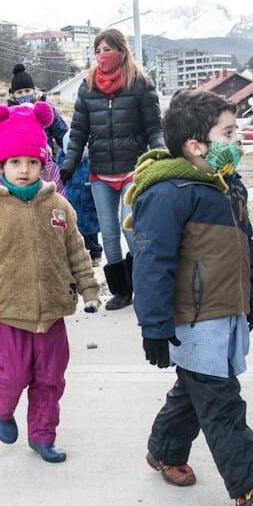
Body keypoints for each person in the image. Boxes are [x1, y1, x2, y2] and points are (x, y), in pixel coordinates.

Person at [127, 89, 253, 506]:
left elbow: (246, 247)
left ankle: (164, 450)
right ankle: (252, 482)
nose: (237, 140)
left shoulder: (227, 187)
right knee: (221, 400)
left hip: (224, 310)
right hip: (193, 317)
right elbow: (151, 263)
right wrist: (154, 326)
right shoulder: (169, 193)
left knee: (194, 390)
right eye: (228, 132)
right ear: (195, 145)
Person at [0, 101, 100, 463]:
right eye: (15, 162)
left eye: (33, 162)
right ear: (1, 164)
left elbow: (76, 250)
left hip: (51, 307)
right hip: (7, 307)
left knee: (51, 376)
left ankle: (43, 435)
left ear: (42, 164)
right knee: (14, 373)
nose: (24, 170)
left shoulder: (58, 206)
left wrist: (90, 289)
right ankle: (1, 406)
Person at [60, 28, 164, 311]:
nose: (102, 55)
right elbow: (79, 130)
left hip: (133, 169)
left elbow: (154, 127)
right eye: (98, 50)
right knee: (107, 232)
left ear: (121, 50)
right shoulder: (88, 86)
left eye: (108, 49)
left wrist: (160, 154)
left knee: (129, 226)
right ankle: (120, 290)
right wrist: (69, 162)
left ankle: (142, 284)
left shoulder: (140, 82)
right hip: (100, 171)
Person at [8, 63, 68, 196]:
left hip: (46, 162)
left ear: (33, 90)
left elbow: (62, 133)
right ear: (13, 94)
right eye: (19, 92)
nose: (24, 95)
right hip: (20, 165)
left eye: (27, 91)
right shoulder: (9, 113)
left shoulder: (46, 109)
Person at [59, 131, 102, 266]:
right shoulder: (63, 159)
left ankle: (95, 253)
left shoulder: (90, 159)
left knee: (91, 231)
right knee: (73, 232)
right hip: (71, 200)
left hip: (88, 200)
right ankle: (76, 257)